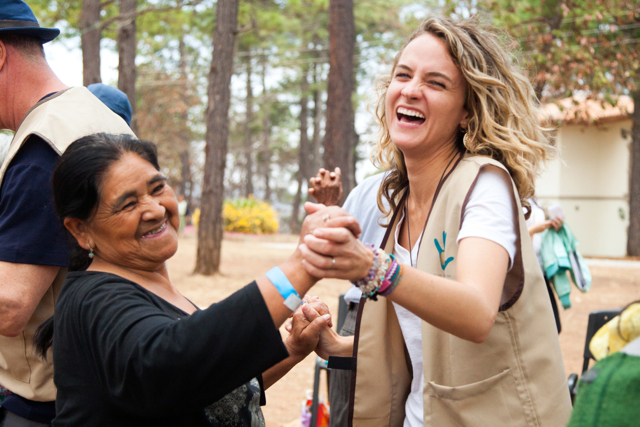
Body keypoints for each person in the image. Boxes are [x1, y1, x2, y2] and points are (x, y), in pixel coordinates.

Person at [298, 16, 572, 426]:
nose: (411, 90)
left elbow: (477, 313)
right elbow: (425, 347)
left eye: (436, 83)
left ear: (467, 112)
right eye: (402, 76)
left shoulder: (484, 185)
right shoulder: (398, 202)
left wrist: (371, 266)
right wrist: (337, 345)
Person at [33, 133, 361, 426]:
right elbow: (168, 367)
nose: (156, 210)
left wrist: (292, 347)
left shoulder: (151, 287)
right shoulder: (95, 299)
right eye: (129, 204)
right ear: (81, 229)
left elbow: (212, 385)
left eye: (157, 188)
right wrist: (304, 265)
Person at [0, 1, 135, 425]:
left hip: (51, 405)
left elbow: (10, 306)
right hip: (113, 381)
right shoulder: (100, 119)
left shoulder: (44, 149)